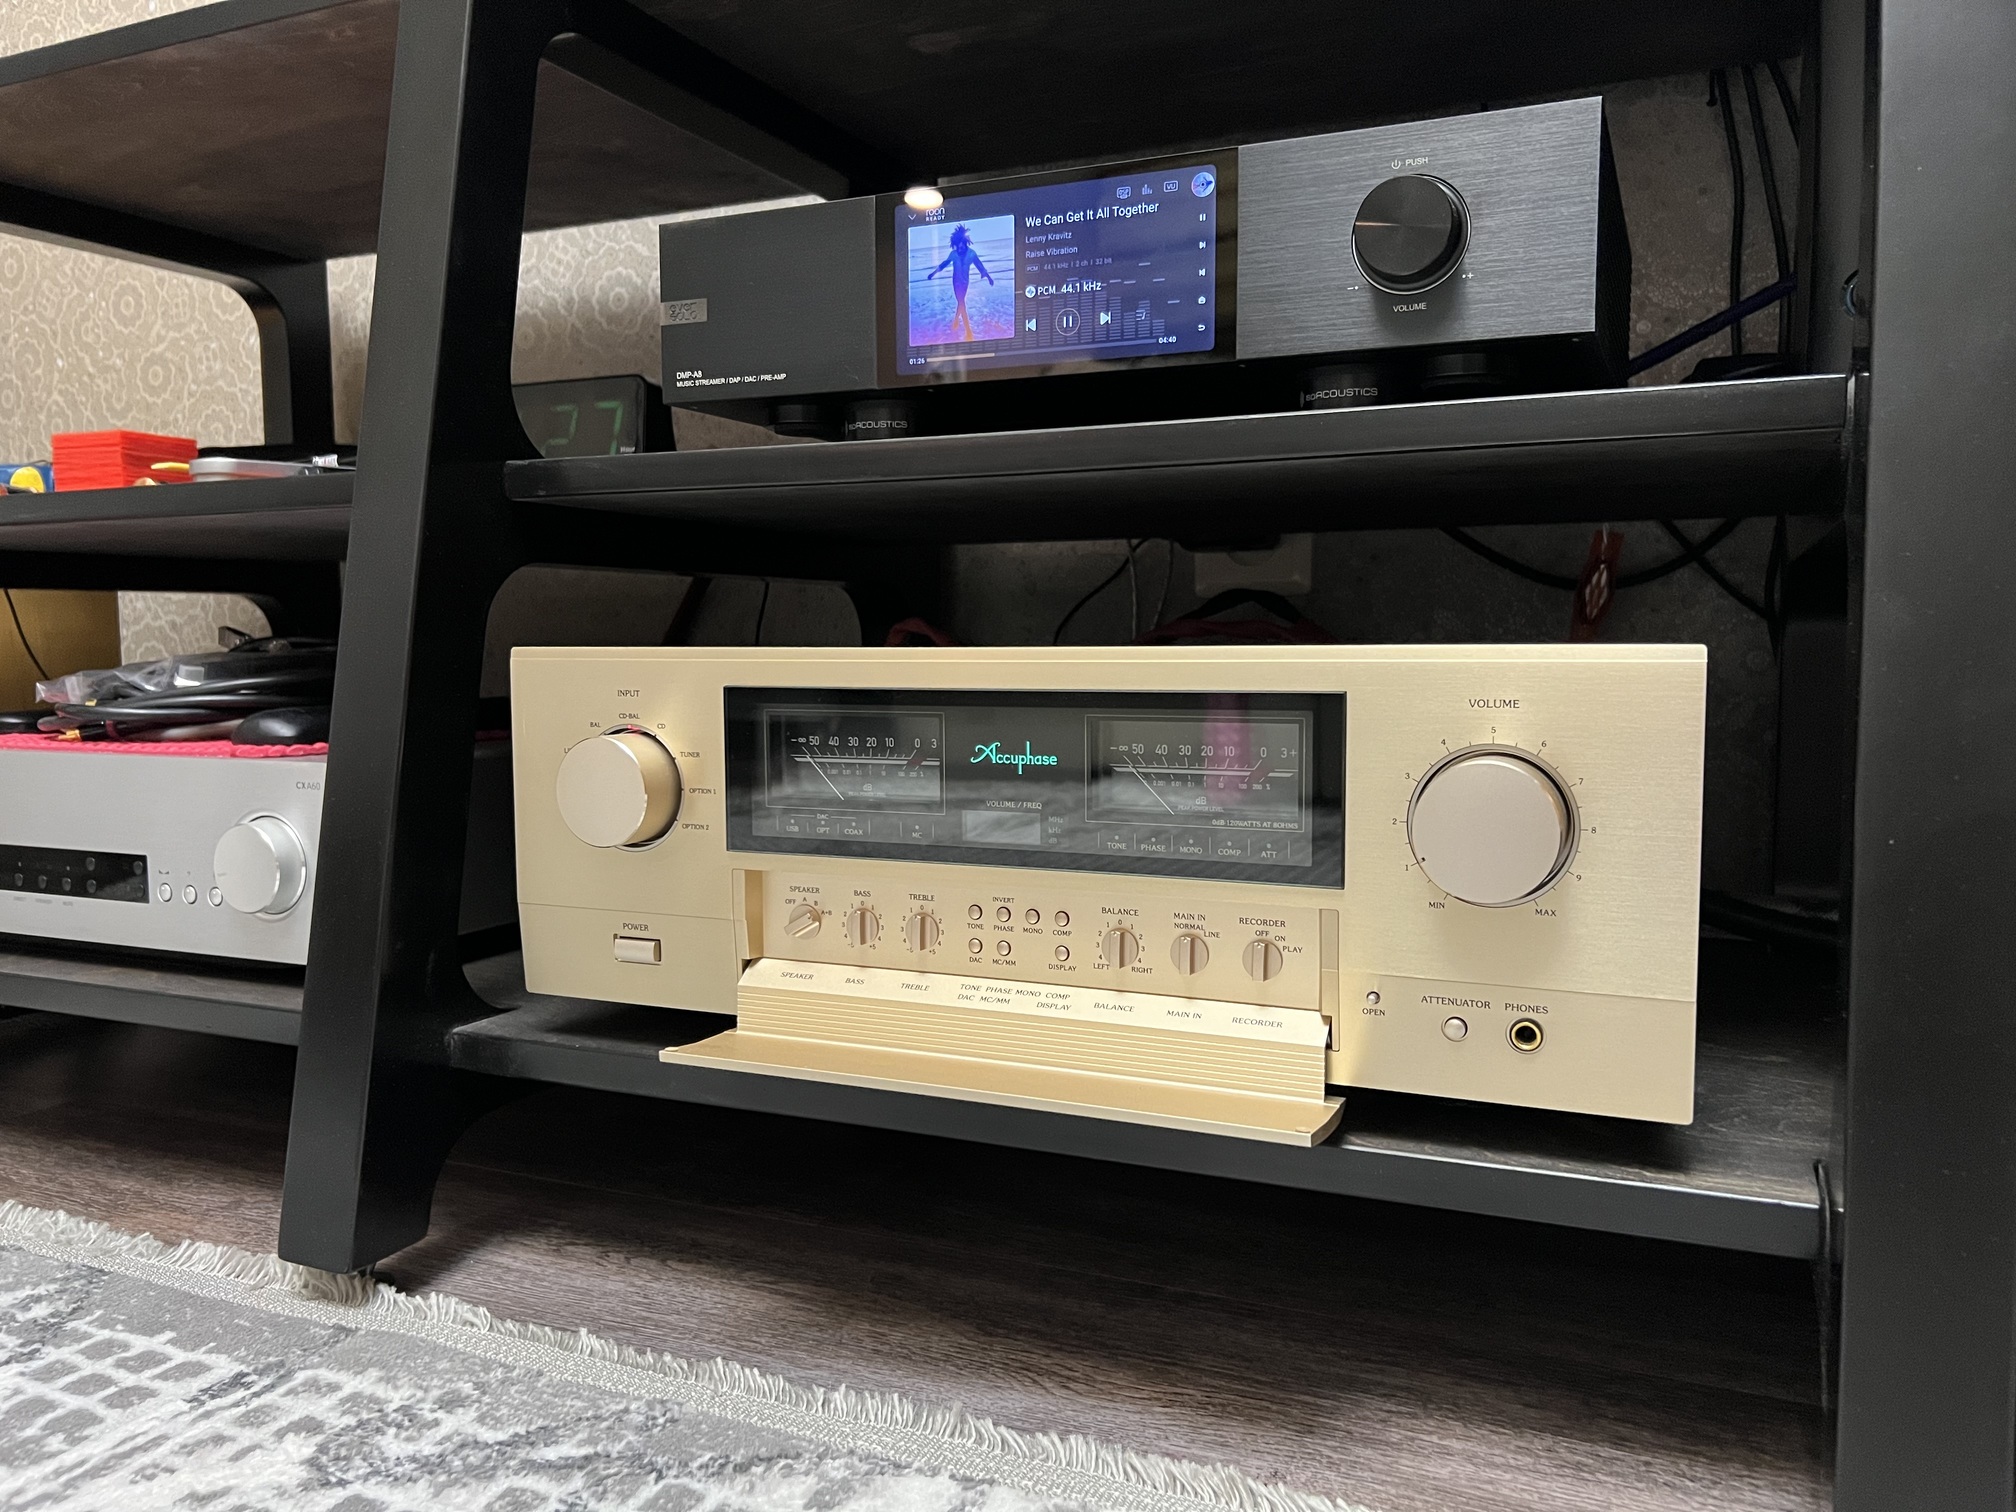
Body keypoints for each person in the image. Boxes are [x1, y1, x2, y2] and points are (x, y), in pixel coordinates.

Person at [926, 224, 994, 341]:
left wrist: (988, 277)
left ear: (965, 243)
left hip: (965, 282)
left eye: (962, 246)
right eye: (958, 246)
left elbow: (980, 266)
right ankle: (968, 330)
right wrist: (933, 273)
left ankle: (957, 320)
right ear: (955, 245)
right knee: (962, 302)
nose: (960, 248)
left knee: (960, 302)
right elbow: (943, 264)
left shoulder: (971, 254)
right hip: (956, 282)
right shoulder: (953, 254)